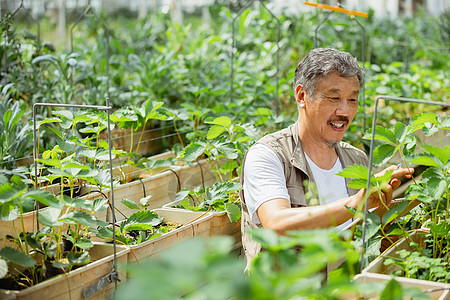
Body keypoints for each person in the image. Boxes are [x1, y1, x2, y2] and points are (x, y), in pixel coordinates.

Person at [239, 48, 413, 268]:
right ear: (302, 96)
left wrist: (382, 205)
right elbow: (276, 223)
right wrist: (352, 203)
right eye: (334, 98)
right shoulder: (269, 155)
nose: (345, 111)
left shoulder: (356, 159)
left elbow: (364, 235)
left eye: (352, 99)